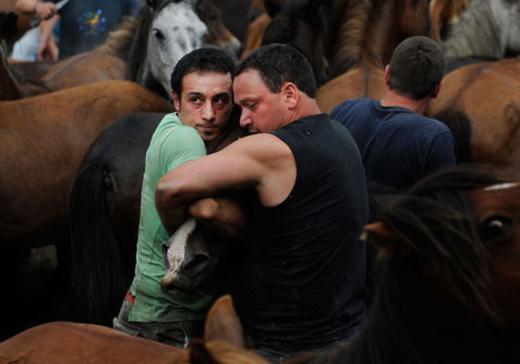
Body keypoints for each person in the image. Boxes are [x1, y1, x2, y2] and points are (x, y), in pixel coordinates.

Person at [154, 43, 369, 361]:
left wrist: (178, 231)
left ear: (290, 95)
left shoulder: (272, 149)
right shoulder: (340, 133)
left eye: (252, 105)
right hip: (348, 336)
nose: (243, 120)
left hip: (287, 350)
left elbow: (169, 187)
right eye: (240, 108)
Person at [112, 47, 240, 348]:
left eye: (220, 100)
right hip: (168, 319)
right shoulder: (187, 138)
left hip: (148, 305)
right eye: (196, 100)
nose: (209, 114)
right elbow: (204, 208)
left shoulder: (170, 124)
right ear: (176, 100)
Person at [330, 36, 456, 193]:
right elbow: (442, 205)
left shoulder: (344, 110)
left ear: (387, 74)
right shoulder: (435, 136)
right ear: (438, 89)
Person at [37, 0, 142, 60]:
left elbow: (134, 26)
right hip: (68, 66)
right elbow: (50, 12)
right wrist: (46, 41)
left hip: (108, 70)